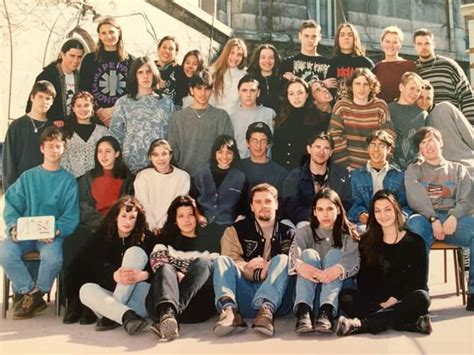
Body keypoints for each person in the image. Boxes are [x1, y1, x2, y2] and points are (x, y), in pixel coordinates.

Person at [0, 127, 79, 320]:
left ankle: (36, 294)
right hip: (25, 234)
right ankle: (32, 294)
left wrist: (56, 230)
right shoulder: (28, 177)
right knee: (5, 252)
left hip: (50, 235)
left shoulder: (69, 182)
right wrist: (13, 227)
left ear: (64, 148)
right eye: (50, 146)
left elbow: (71, 216)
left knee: (53, 259)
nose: (54, 150)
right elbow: (11, 205)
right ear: (42, 148)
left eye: (58, 146)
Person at [62, 136, 136, 324]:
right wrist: (100, 223)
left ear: (117, 153)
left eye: (108, 151)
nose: (103, 155)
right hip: (92, 225)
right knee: (73, 244)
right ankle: (74, 302)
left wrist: (111, 223)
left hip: (116, 228)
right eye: (100, 151)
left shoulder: (128, 179)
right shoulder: (88, 177)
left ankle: (90, 307)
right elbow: (82, 205)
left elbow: (129, 206)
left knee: (98, 250)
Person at [337, 190, 431, 336]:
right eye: (377, 211)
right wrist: (381, 303)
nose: (383, 215)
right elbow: (364, 281)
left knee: (422, 298)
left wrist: (394, 299)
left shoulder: (415, 242)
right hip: (376, 301)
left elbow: (418, 281)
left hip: (404, 298)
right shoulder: (366, 242)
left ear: (396, 210)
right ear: (373, 214)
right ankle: (408, 323)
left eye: (387, 209)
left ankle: (361, 325)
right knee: (346, 297)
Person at [405, 127, 474, 311]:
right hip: (426, 218)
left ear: (441, 142)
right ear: (419, 149)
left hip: (453, 220)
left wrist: (453, 216)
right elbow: (415, 199)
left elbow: (466, 200)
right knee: (414, 228)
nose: (428, 146)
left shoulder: (459, 169)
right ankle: (420, 294)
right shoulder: (414, 170)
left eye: (431, 140)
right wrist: (433, 218)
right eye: (423, 143)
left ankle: (473, 292)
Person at [212, 183, 295, 337]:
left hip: (278, 303)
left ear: (276, 204)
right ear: (251, 207)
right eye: (258, 202)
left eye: (268, 201)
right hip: (245, 296)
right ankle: (230, 312)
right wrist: (255, 273)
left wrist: (269, 265)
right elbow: (232, 259)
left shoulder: (290, 233)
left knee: (283, 259)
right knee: (221, 260)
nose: (264, 206)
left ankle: (266, 311)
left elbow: (294, 265)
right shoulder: (235, 230)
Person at [79, 197, 158, 334]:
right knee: (85, 289)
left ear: (137, 220)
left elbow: (162, 268)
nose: (127, 221)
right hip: (112, 295)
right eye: (124, 216)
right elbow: (95, 267)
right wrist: (113, 275)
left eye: (132, 217)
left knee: (134, 252)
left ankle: (113, 316)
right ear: (116, 216)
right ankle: (126, 316)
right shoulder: (100, 237)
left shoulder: (148, 238)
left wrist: (145, 274)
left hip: (140, 297)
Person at [146, 195, 217, 340]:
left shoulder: (210, 241)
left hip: (197, 307)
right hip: (161, 304)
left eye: (191, 214)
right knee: (165, 268)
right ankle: (168, 315)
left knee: (205, 262)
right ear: (175, 219)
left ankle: (169, 317)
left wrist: (187, 276)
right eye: (181, 216)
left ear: (197, 216)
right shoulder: (163, 242)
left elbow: (215, 267)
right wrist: (175, 273)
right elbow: (158, 269)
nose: (187, 219)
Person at [289, 188, 359, 334]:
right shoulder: (305, 232)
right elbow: (294, 257)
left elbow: (352, 262)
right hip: (310, 292)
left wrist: (335, 270)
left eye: (330, 208)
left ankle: (326, 313)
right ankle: (304, 312)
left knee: (334, 254)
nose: (325, 214)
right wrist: (303, 267)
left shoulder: (349, 233)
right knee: (308, 254)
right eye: (320, 209)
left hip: (337, 294)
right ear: (314, 212)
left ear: (338, 210)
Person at [110, 56, 174, 174]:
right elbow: (115, 136)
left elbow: (172, 135)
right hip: (130, 166)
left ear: (154, 73)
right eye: (140, 72)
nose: (145, 76)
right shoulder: (123, 103)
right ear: (134, 76)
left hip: (159, 165)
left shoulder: (166, 103)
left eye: (148, 71)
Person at [168, 70, 234, 176]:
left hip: (214, 176)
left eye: (206, 89)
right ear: (191, 90)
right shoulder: (178, 118)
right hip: (185, 177)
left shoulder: (222, 117)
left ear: (211, 91)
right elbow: (172, 151)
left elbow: (228, 150)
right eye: (199, 88)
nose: (203, 93)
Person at [328, 68, 393, 170]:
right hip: (347, 169)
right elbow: (335, 137)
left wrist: (381, 164)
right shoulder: (341, 106)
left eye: (366, 84)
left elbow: (389, 137)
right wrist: (345, 167)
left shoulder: (380, 106)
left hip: (375, 168)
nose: (361, 88)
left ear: (371, 87)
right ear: (351, 86)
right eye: (357, 84)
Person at [282, 132, 351, 228]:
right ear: (309, 149)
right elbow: (292, 207)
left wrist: (332, 216)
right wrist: (316, 217)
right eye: (317, 147)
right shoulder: (294, 177)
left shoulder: (341, 175)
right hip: (306, 221)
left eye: (326, 148)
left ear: (331, 153)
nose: (321, 152)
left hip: (334, 221)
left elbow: (347, 202)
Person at [191, 135, 246, 253]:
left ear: (234, 154)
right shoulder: (202, 173)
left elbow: (244, 205)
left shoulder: (240, 176)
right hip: (203, 225)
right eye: (220, 152)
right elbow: (192, 199)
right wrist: (198, 215)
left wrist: (238, 221)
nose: (224, 157)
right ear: (214, 153)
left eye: (229, 152)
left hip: (227, 227)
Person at [348, 130, 411, 228]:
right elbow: (353, 204)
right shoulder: (356, 176)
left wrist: (401, 216)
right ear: (368, 148)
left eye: (381, 145)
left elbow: (406, 205)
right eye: (373, 145)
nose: (376, 149)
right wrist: (360, 214)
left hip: (392, 222)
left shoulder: (399, 176)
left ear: (389, 149)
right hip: (367, 224)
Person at [79, 16, 134, 127]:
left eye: (111, 32)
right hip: (95, 118)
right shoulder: (90, 60)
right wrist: (99, 110)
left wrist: (114, 110)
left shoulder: (131, 61)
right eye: (103, 33)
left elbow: (134, 91)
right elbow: (84, 89)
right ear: (99, 36)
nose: (108, 36)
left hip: (122, 119)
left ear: (119, 33)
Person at [413, 28, 474, 125]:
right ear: (414, 46)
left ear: (433, 44)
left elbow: (467, 95)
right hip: (426, 125)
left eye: (427, 43)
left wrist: (470, 125)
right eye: (419, 44)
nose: (423, 47)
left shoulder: (449, 65)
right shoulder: (414, 70)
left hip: (452, 123)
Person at [3, 81, 56, 191]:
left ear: (52, 102)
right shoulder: (16, 126)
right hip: (20, 188)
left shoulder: (53, 130)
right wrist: (12, 192)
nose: (44, 101)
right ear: (32, 97)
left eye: (48, 98)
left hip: (44, 188)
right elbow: (8, 162)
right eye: (40, 96)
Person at [134, 139, 190, 233]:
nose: (160, 158)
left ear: (171, 155)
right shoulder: (143, 176)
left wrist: (163, 226)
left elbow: (177, 205)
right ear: (150, 157)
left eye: (164, 154)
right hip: (146, 227)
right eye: (155, 155)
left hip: (171, 227)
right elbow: (142, 204)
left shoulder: (183, 177)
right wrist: (152, 226)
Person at [417, 82, 474, 172]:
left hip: (468, 164)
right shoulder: (415, 121)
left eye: (428, 98)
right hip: (444, 171)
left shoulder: (444, 108)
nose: (424, 102)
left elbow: (470, 135)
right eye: (420, 97)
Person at [26, 39, 84, 126]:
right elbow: (33, 106)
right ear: (62, 55)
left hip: (73, 129)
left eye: (79, 57)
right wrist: (50, 122)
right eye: (72, 55)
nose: (76, 60)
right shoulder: (47, 76)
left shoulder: (81, 77)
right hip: (50, 129)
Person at [272, 77, 318, 170]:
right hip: (281, 171)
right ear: (287, 96)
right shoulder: (281, 117)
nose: (296, 97)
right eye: (291, 94)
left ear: (307, 94)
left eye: (300, 93)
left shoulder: (318, 118)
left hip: (306, 172)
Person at [60, 91, 109, 178]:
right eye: (79, 106)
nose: (83, 109)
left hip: (98, 181)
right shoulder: (65, 132)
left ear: (92, 107)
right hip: (72, 182)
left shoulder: (103, 132)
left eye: (86, 105)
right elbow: (62, 160)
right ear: (73, 108)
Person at [280, 20, 336, 90]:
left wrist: (294, 79)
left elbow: (331, 92)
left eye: (314, 36)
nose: (310, 40)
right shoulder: (287, 63)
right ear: (300, 36)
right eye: (306, 36)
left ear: (320, 37)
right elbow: (286, 92)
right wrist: (323, 84)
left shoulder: (329, 64)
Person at [388, 72, 427, 170]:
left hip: (415, 169)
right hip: (391, 168)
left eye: (418, 90)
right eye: (412, 88)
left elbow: (425, 142)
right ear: (401, 87)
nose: (415, 93)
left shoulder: (422, 115)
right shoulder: (388, 109)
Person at [230, 75, 276, 158]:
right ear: (238, 93)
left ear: (258, 93)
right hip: (240, 167)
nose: (248, 94)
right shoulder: (232, 118)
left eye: (252, 90)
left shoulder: (270, 114)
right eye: (244, 90)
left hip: (265, 166)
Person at [236, 122, 288, 194]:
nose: (258, 145)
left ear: (269, 144)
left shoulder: (280, 173)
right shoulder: (238, 168)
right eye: (254, 141)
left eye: (263, 141)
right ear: (247, 143)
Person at [329, 23, 375, 100]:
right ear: (338, 39)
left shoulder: (365, 63)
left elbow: (374, 89)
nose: (346, 37)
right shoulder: (331, 63)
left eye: (350, 35)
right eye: (342, 35)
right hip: (337, 108)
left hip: (360, 108)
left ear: (355, 38)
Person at [373, 26, 417, 104]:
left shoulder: (409, 66)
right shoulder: (377, 67)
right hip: (381, 111)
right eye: (387, 41)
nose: (391, 45)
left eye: (395, 42)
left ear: (400, 44)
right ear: (382, 43)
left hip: (403, 112)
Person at [210, 38, 247, 115]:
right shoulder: (213, 72)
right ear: (226, 53)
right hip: (215, 117)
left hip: (235, 118)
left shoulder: (244, 75)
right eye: (232, 53)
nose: (235, 57)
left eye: (239, 54)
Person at [247, 44, 283, 112]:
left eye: (271, 57)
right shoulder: (249, 81)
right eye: (263, 57)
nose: (267, 61)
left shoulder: (282, 81)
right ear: (257, 59)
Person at [156, 36, 180, 105]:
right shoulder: (148, 67)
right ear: (158, 49)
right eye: (164, 47)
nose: (167, 51)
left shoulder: (180, 71)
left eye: (171, 49)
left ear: (176, 53)